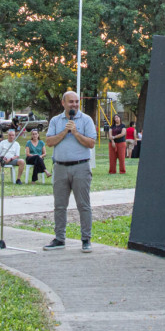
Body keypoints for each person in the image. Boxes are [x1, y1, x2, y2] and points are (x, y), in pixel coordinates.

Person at [42, 91, 97, 253]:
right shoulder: (56, 120)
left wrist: (75, 132)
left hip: (81, 167)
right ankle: (59, 239)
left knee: (83, 205)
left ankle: (86, 239)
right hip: (60, 167)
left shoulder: (86, 120)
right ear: (63, 103)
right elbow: (50, 142)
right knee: (59, 205)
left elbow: (91, 143)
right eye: (71, 102)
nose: (74, 104)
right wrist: (65, 131)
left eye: (76, 101)